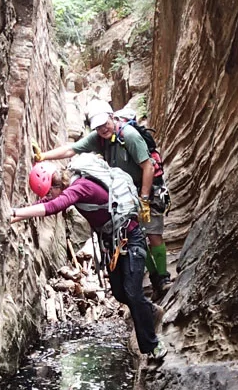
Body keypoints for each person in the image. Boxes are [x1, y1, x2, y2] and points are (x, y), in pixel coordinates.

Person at [11, 162, 167, 363]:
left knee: (133, 292)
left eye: (49, 193)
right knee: (120, 292)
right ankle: (151, 312)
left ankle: (152, 346)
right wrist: (19, 215)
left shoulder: (80, 187)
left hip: (130, 237)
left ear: (57, 185)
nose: (47, 197)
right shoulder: (69, 186)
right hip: (113, 244)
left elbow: (54, 206)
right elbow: (50, 202)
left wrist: (15, 213)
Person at [36, 99, 171, 297]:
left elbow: (147, 166)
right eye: (98, 127)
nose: (103, 129)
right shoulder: (99, 138)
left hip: (146, 190)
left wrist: (144, 198)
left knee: (153, 234)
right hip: (124, 197)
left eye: (105, 124)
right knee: (139, 236)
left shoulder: (130, 136)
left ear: (112, 117)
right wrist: (43, 156)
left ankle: (164, 277)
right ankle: (154, 279)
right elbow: (70, 149)